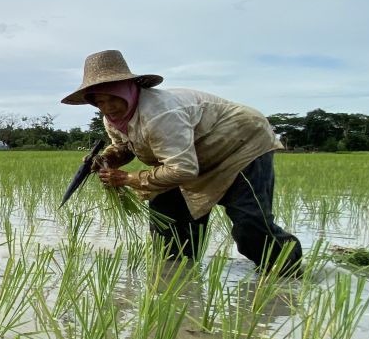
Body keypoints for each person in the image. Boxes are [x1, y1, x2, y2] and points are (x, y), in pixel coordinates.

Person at [61, 50, 302, 274]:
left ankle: (287, 273)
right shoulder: (112, 119)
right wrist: (108, 158)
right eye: (99, 102)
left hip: (239, 146)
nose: (108, 107)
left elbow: (184, 169)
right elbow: (125, 147)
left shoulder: (161, 113)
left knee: (250, 224)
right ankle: (177, 282)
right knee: (170, 225)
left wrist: (127, 179)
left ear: (128, 89)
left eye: (112, 97)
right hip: (184, 157)